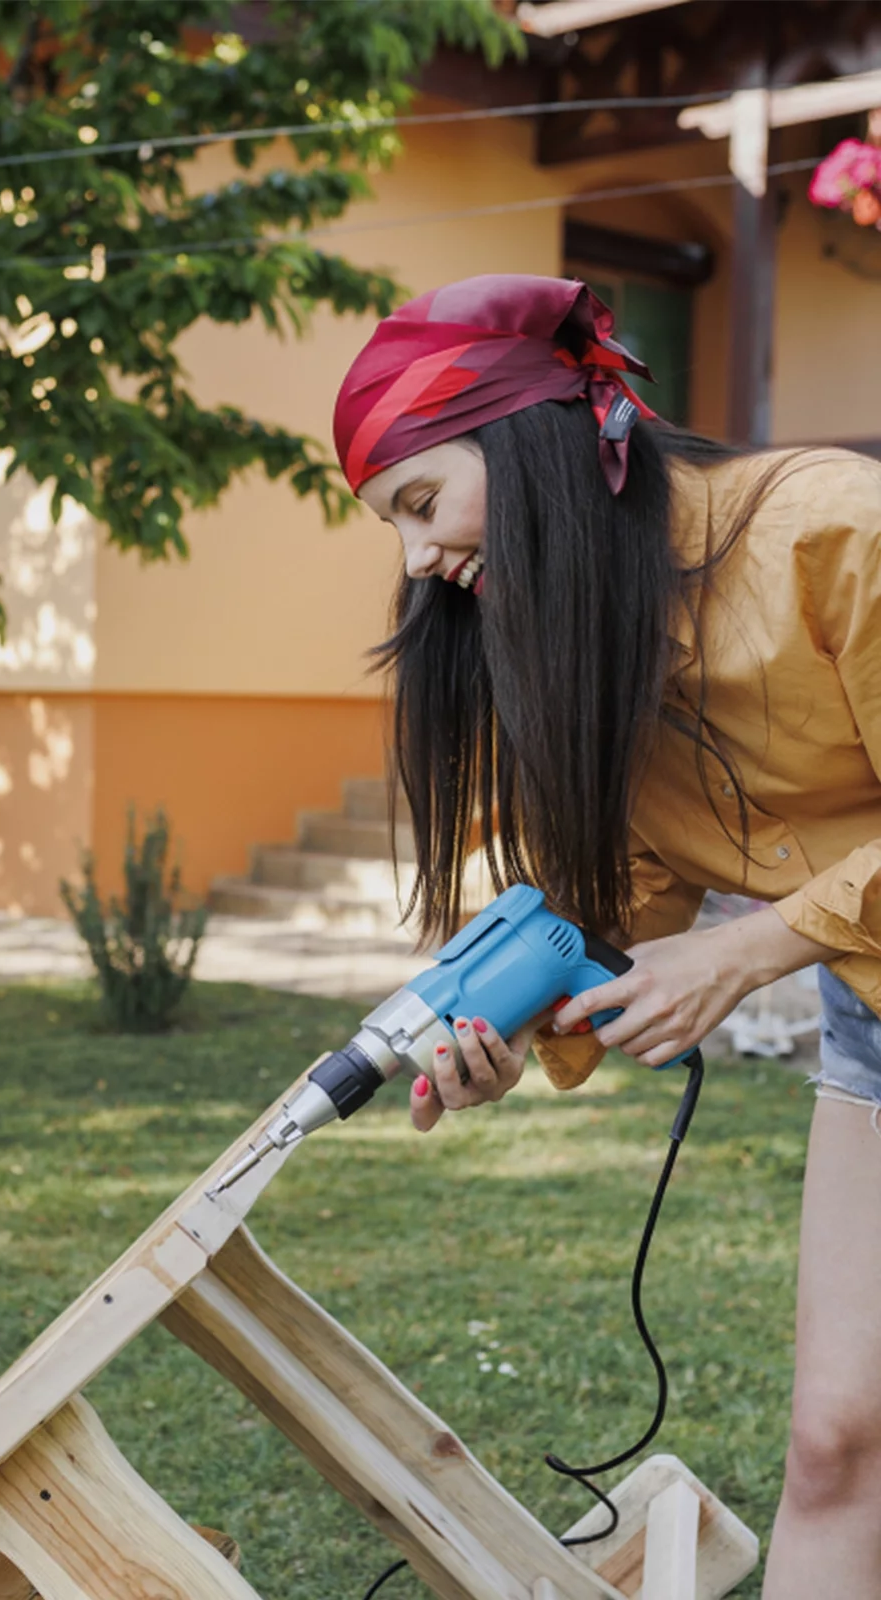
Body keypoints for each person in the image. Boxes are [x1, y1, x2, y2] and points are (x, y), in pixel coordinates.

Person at [333, 274, 881, 1596]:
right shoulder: (602, 643)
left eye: (421, 501)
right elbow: (630, 898)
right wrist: (510, 1032)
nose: (415, 559)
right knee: (837, 1446)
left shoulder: (834, 529)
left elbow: (732, 943)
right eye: (393, 524)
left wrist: (750, 950)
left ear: (528, 442)